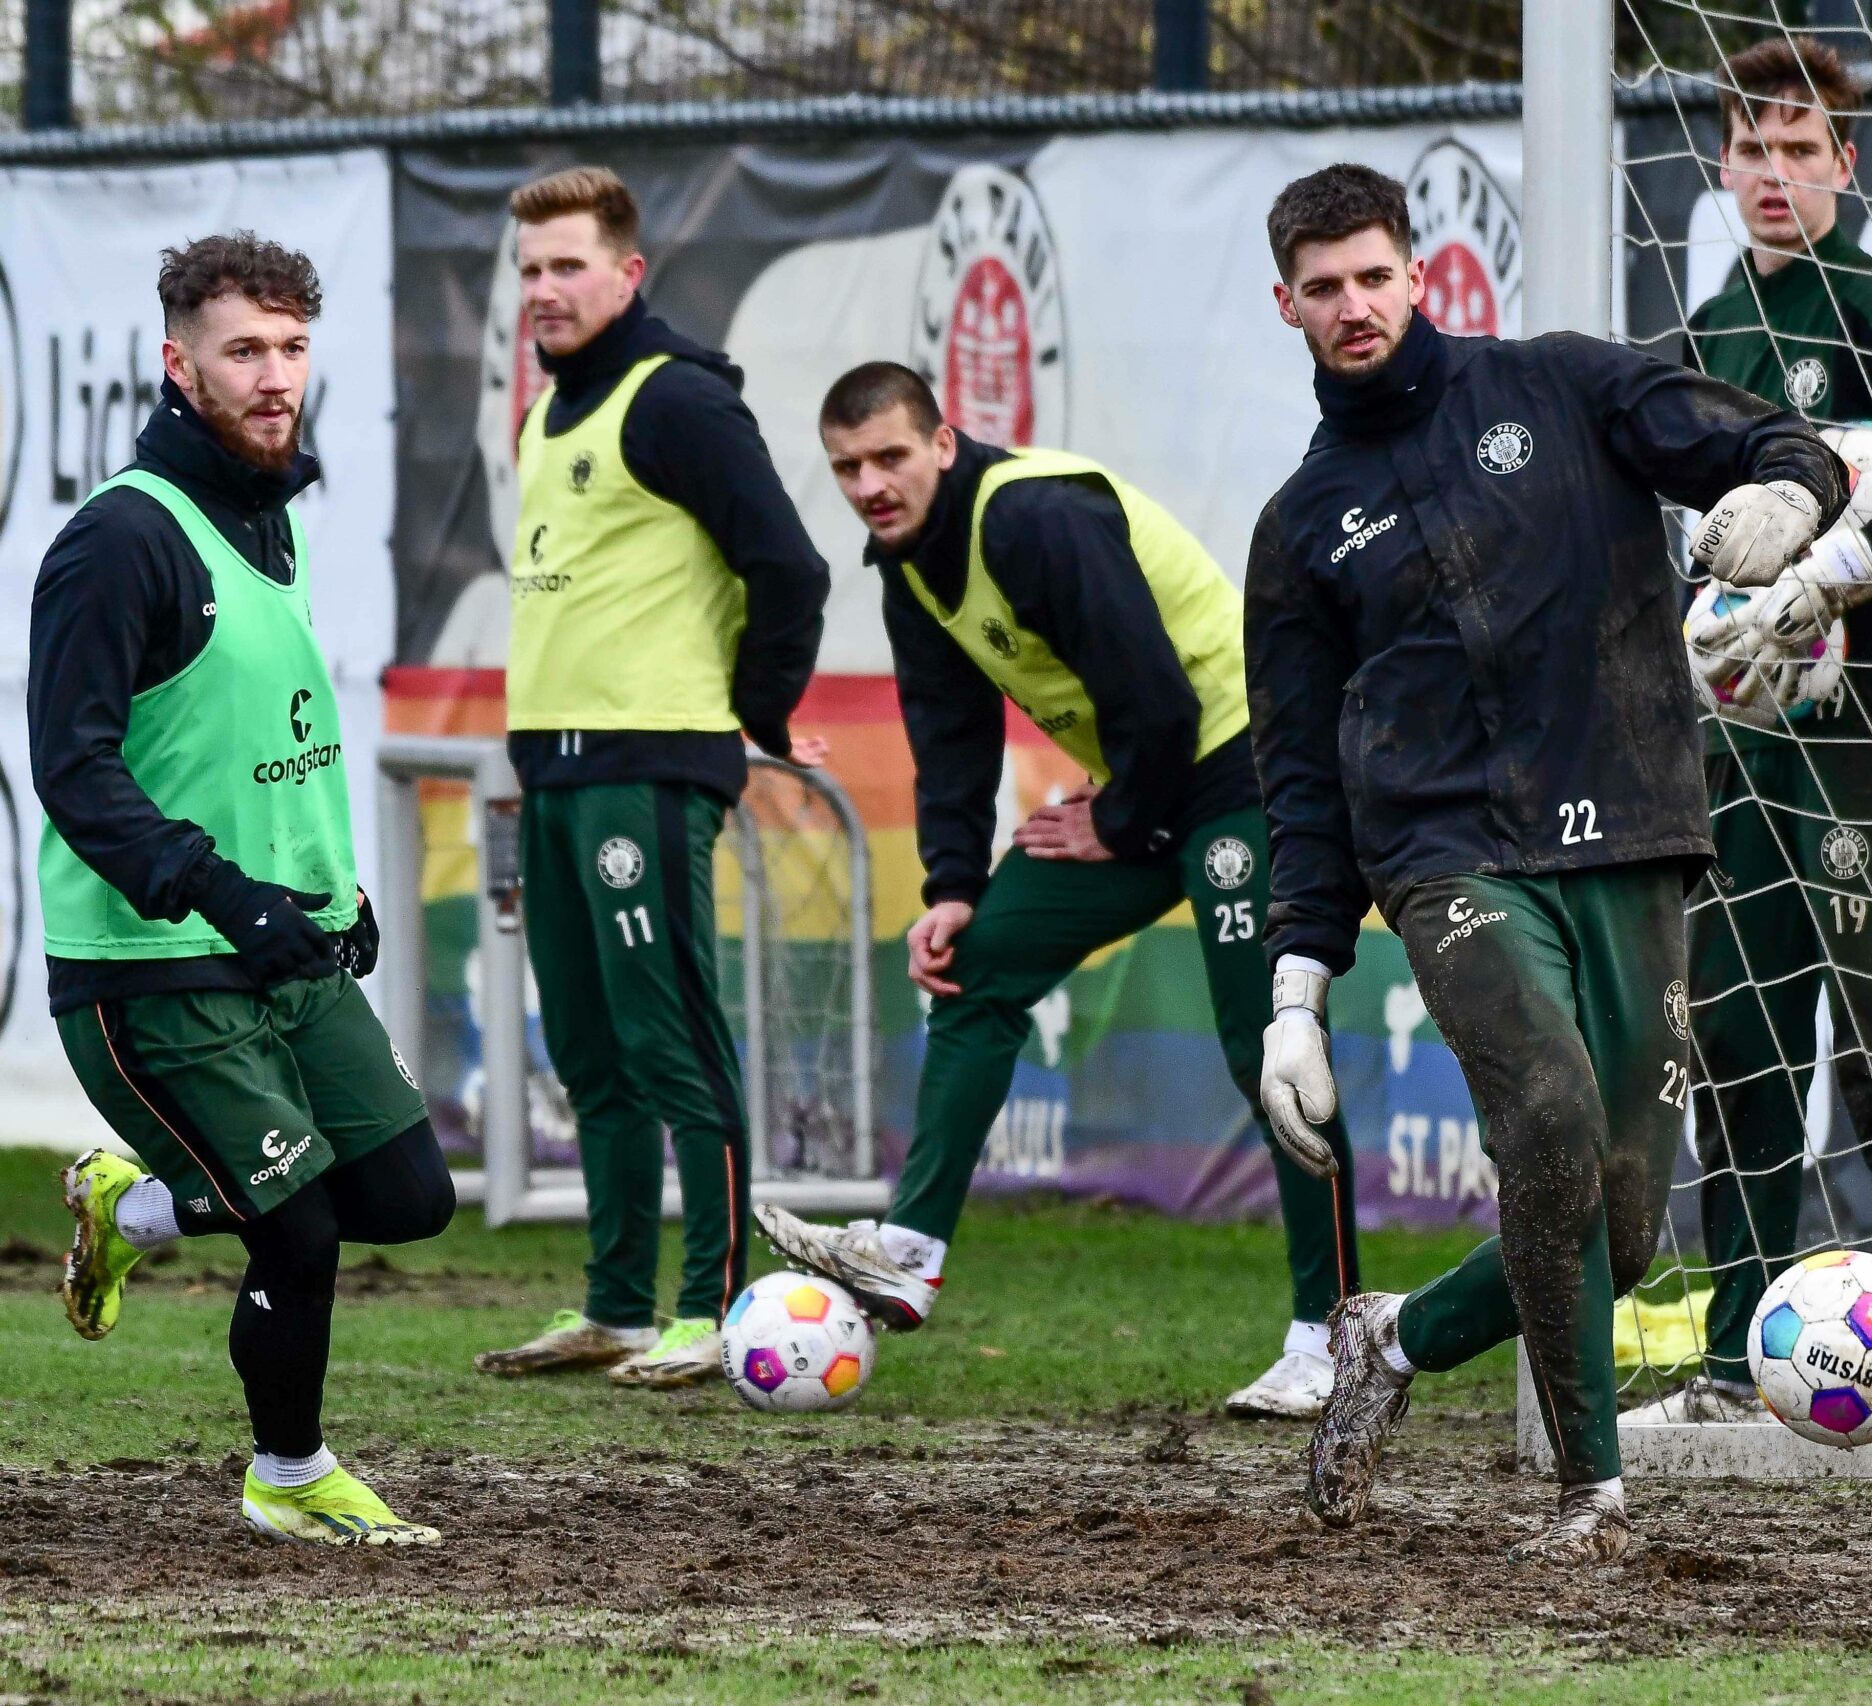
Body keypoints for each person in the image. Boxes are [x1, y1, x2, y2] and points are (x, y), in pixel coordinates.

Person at [1246, 163, 1846, 1560]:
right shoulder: (1300, 528)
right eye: (1322, 288)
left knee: (1618, 1227)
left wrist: (1788, 499)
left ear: (1419, 275)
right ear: (1290, 304)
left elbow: (1776, 444)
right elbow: (1298, 776)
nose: (1353, 306)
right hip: (1446, 853)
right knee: (1553, 1120)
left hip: (1633, 823)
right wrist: (1296, 983)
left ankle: (1394, 1338)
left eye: (1372, 276)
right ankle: (1594, 1498)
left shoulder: (1564, 387)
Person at [757, 363, 1361, 1421]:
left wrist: (1116, 818)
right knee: (976, 957)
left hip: (1239, 769)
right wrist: (949, 887)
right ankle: (907, 1249)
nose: (870, 483)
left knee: (1265, 1048)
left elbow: (1161, 702)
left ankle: (1337, 1332)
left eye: (890, 455)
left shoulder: (1038, 515)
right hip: (1149, 785)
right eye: (848, 466)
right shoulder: (907, 566)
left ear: (944, 443)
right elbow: (949, 741)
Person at [1622, 36, 1872, 1428]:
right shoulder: (1712, 331)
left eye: (1803, 150)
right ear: (1723, 162)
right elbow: (1675, 535)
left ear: (1846, 167)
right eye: (1753, 147)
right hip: (1741, 755)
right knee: (1737, 1037)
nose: (1776, 173)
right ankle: (1735, 1357)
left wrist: (1833, 573)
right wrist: (1705, 617)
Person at [39, 234, 453, 1545]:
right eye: (243, 351)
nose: (274, 377)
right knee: (304, 1225)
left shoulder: (261, 514)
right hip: (153, 964)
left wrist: (330, 897)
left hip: (287, 943)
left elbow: (260, 737)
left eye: (290, 349)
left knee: (409, 1199)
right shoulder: (119, 540)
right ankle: (289, 1472)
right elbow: (75, 767)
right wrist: (219, 892)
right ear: (179, 363)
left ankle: (133, 1201)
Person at [473, 166, 831, 1390]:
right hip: (556, 772)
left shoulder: (675, 400)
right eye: (527, 270)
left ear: (628, 272)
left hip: (650, 769)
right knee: (590, 1050)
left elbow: (788, 568)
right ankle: (616, 1305)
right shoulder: (542, 417)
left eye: (566, 265)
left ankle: (713, 1304)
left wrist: (752, 712)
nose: (543, 290)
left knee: (673, 1041)